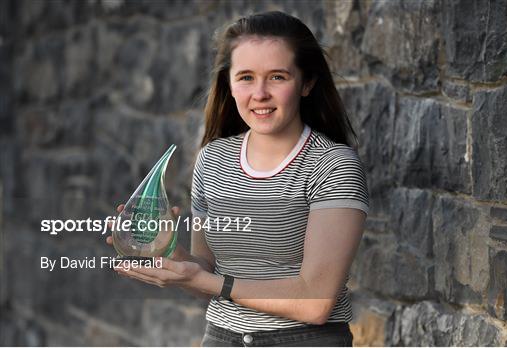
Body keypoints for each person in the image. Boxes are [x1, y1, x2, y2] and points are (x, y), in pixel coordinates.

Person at [107, 11, 369, 347]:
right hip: (220, 338)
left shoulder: (332, 165)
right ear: (228, 84)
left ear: (307, 83)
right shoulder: (213, 159)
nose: (259, 93)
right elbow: (206, 269)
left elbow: (315, 302)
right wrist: (170, 253)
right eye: (245, 77)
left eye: (277, 77)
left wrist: (211, 283)